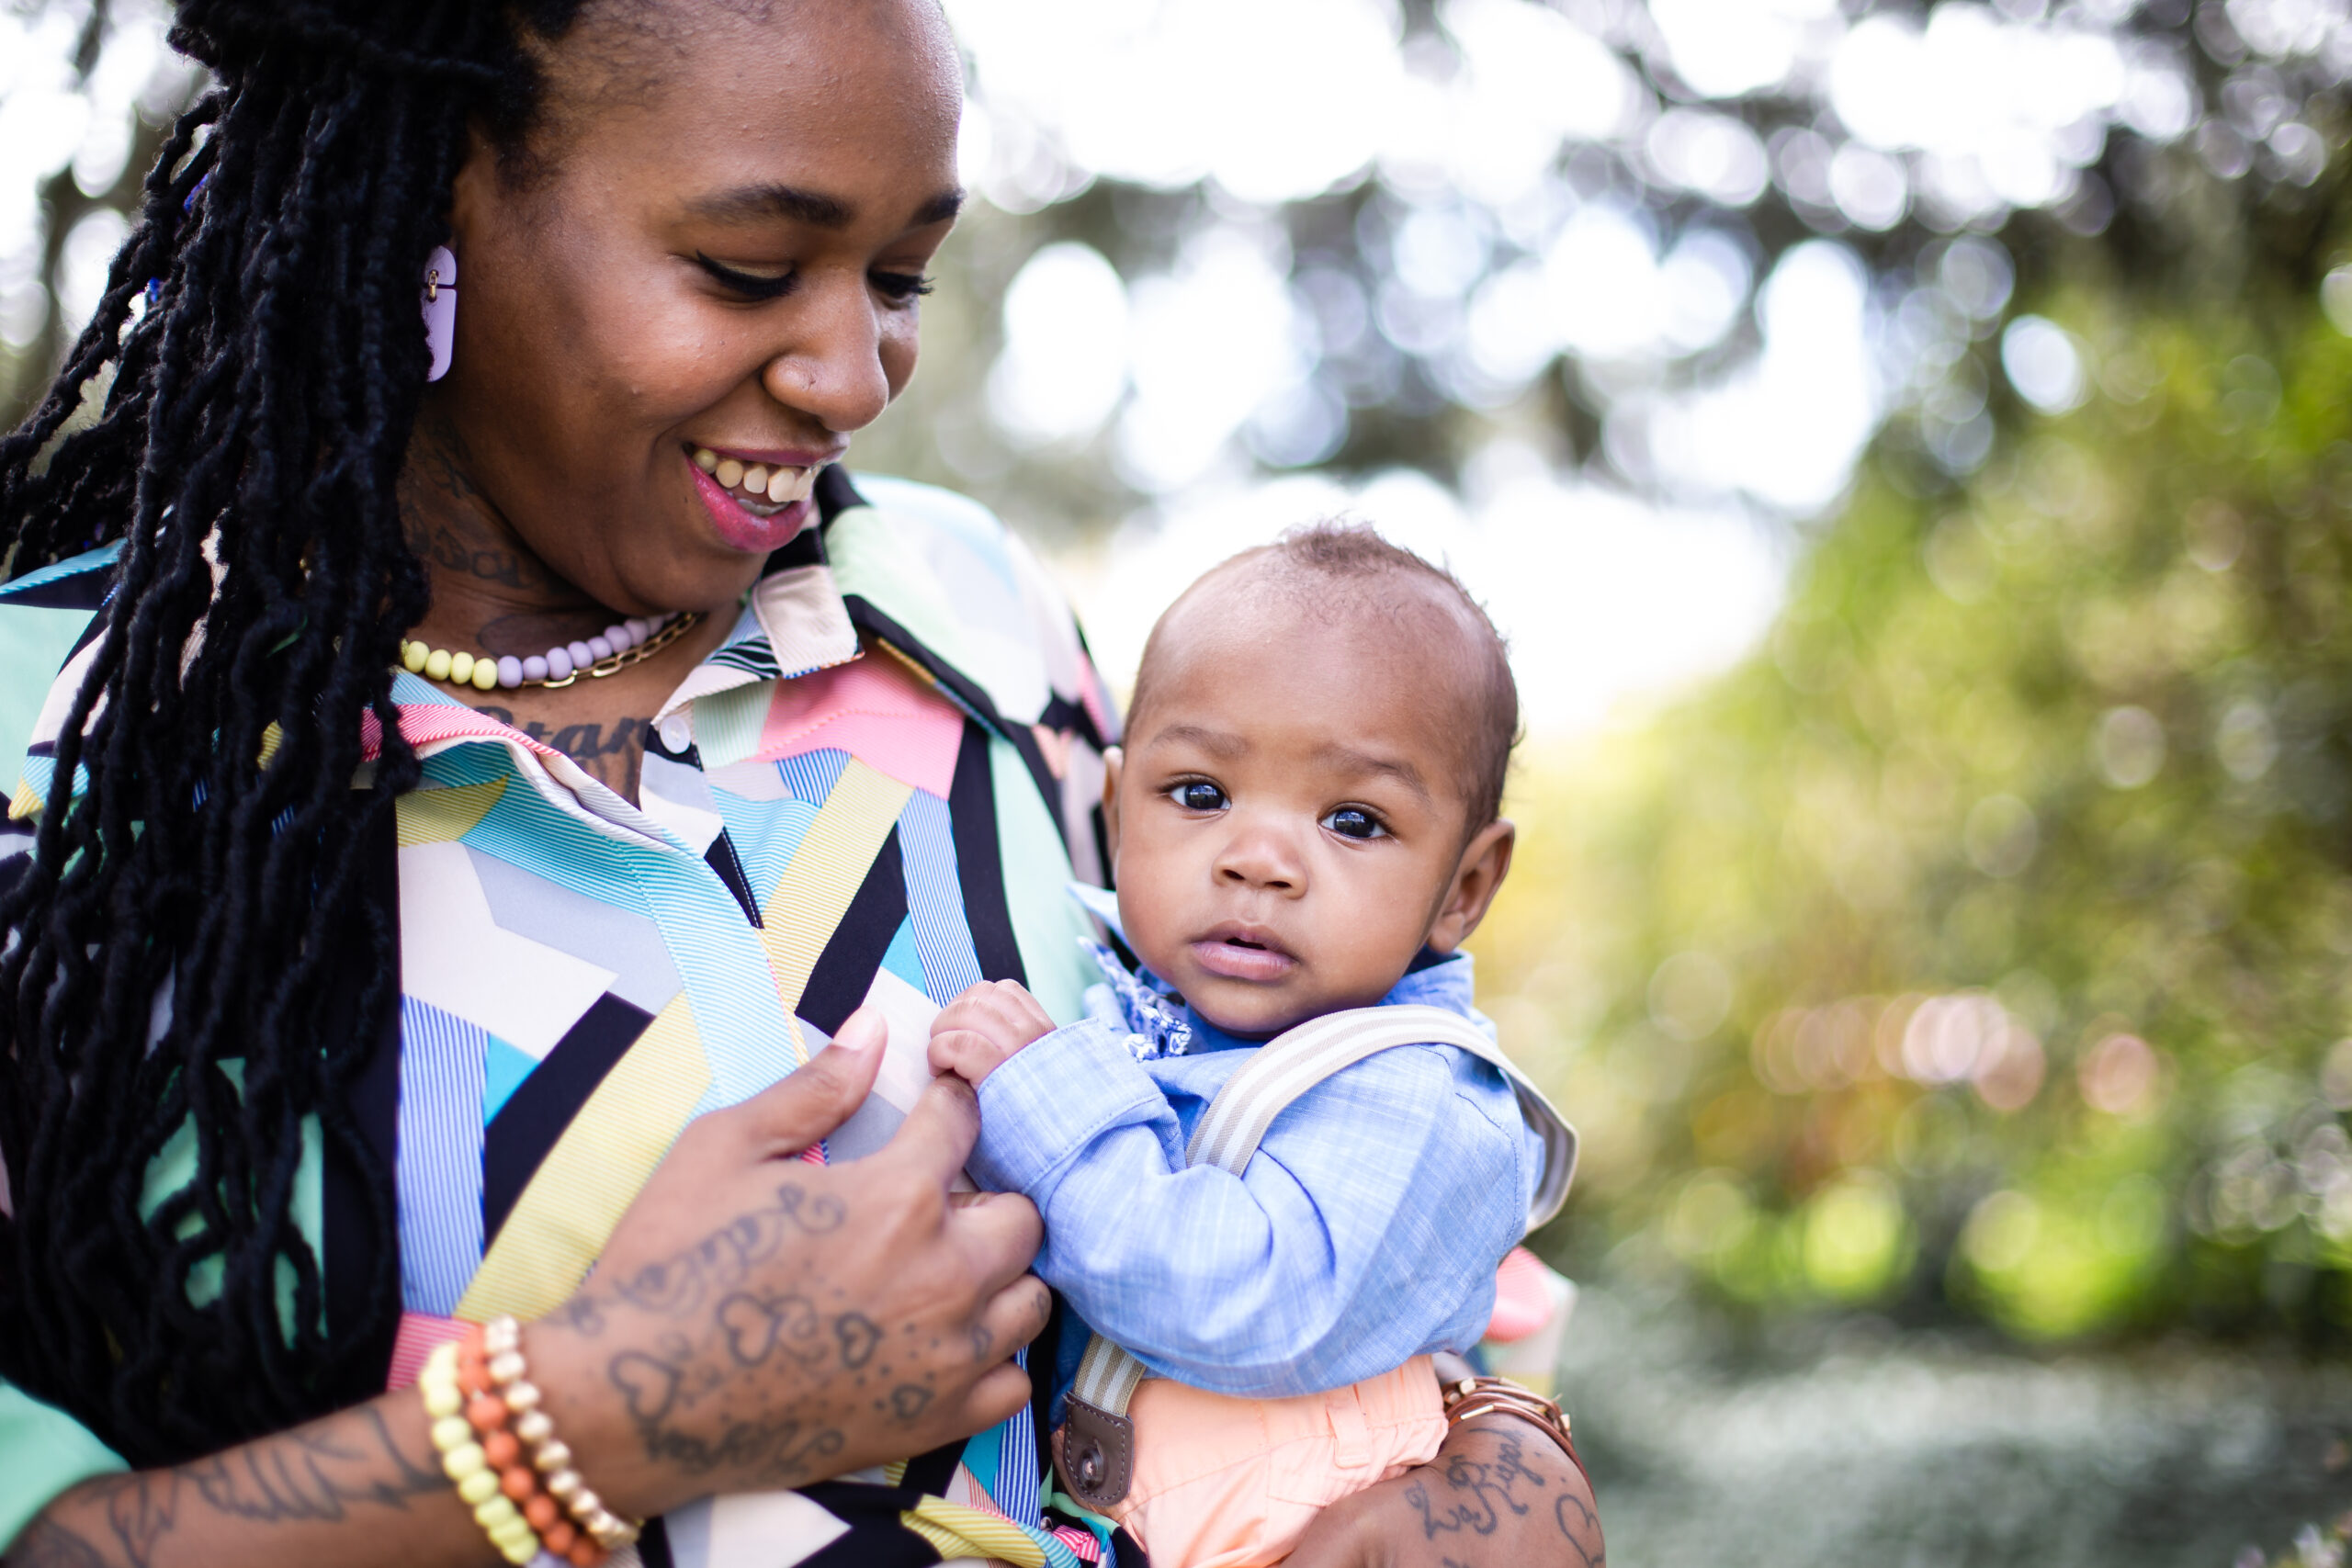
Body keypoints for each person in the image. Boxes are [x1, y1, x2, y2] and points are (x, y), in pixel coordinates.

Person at [0, 1, 1605, 1565]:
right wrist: (614, 1414)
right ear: (430, 200)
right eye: (749, 268)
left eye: (901, 276)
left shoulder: (979, 618)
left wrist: (1510, 1454)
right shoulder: (57, 740)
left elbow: (1326, 1156)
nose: (853, 375)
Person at [926, 524, 1580, 1567]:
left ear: (1463, 887)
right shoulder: (1133, 1010)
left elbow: (1241, 1295)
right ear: (1117, 813)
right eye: (1200, 794)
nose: (1259, 859)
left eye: (1353, 820)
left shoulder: (1422, 1099)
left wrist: (1043, 1103)